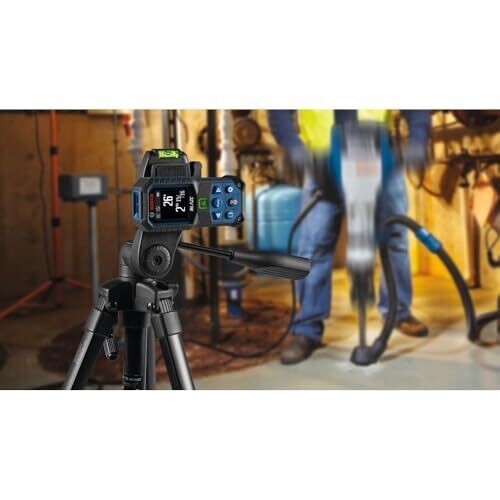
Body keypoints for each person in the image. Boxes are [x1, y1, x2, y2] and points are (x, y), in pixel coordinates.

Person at [267, 110, 431, 364]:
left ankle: (398, 312)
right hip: (322, 161)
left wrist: (418, 141)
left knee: (394, 236)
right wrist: (295, 149)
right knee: (314, 244)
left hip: (378, 154)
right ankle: (307, 327)